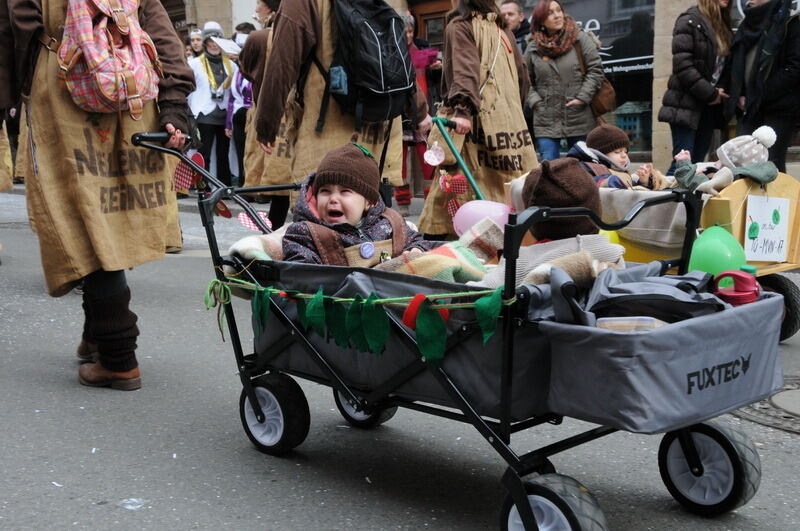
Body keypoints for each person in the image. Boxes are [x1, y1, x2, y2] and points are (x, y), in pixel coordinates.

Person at [0, 0, 195, 389]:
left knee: (80, 217)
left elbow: (16, 27)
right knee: (113, 215)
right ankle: (97, 334)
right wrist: (175, 104)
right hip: (135, 99)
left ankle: (119, 354)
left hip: (61, 89)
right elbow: (160, 31)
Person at [254, 0, 430, 229]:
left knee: (320, 220)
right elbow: (396, 57)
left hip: (327, 126)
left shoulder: (301, 3)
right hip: (377, 128)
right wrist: (419, 111)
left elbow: (282, 63)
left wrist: (266, 124)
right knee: (373, 214)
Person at [419, 0, 537, 238]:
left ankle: (463, 241)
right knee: (512, 186)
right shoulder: (502, 29)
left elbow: (464, 69)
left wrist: (462, 110)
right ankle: (514, 237)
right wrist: (512, 112)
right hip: (512, 126)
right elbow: (523, 76)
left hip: (473, 121)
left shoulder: (460, 27)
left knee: (465, 180)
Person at [282, 144, 440, 265]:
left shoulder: (389, 224)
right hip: (339, 299)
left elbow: (417, 241)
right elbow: (301, 271)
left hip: (392, 296)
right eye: (325, 191)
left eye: (344, 192)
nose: (333, 199)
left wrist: (416, 250)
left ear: (368, 202)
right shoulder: (305, 232)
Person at [721, 0, 800, 173]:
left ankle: (777, 201)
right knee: (743, 164)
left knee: (770, 167)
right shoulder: (746, 25)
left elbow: (795, 67)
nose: (749, 1)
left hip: (779, 108)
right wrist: (740, 93)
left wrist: (760, 94)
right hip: (750, 107)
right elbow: (736, 65)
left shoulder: (790, 21)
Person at [658, 0, 733, 175]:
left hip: (709, 106)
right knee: (683, 165)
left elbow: (724, 69)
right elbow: (683, 66)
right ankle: (661, 201)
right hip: (684, 104)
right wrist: (711, 93)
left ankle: (688, 203)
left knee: (698, 165)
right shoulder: (689, 20)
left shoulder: (722, 25)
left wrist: (718, 92)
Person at [524, 0, 604, 161]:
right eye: (550, 13)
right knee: (549, 166)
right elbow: (525, 80)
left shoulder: (580, 39)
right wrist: (536, 102)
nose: (557, 15)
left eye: (558, 10)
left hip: (578, 114)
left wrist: (582, 98)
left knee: (584, 166)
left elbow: (595, 71)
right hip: (545, 117)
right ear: (541, 20)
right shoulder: (533, 47)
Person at [395, 12, 439, 213]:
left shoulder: (423, 50)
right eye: (404, 31)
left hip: (423, 112)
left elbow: (435, 82)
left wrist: (436, 70)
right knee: (400, 161)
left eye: (411, 31)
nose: (408, 35)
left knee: (428, 157)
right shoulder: (393, 52)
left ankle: (430, 201)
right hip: (401, 114)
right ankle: (403, 202)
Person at [188, 21, 238, 187]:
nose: (214, 45)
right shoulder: (194, 64)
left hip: (224, 114)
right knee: (205, 152)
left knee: (223, 153)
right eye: (210, 41)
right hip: (204, 113)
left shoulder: (231, 65)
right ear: (205, 43)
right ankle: (203, 185)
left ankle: (225, 185)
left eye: (217, 42)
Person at [567, 124, 669, 190]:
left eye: (625, 151)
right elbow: (582, 183)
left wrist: (644, 182)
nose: (624, 155)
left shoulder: (619, 170)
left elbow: (629, 192)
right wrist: (608, 181)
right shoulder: (584, 167)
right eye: (617, 152)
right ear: (600, 154)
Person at [226, 33, 252, 187]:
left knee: (252, 153)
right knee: (241, 152)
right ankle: (244, 185)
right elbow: (231, 98)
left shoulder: (255, 69)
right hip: (238, 115)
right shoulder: (236, 71)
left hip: (251, 115)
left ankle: (254, 185)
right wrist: (228, 124)